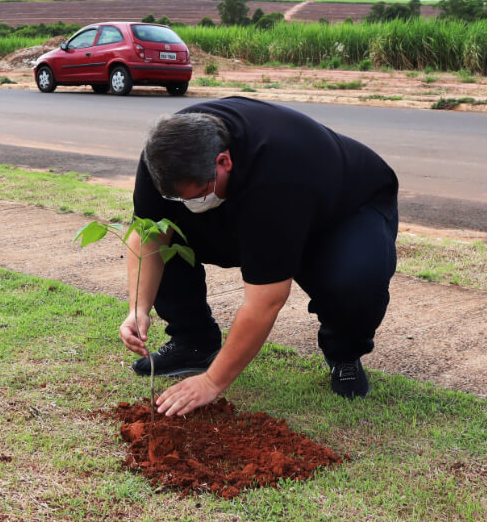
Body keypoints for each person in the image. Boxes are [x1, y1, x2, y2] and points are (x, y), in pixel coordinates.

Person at [121, 97, 400, 417]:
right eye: (175, 197)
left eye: (196, 194)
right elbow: (149, 233)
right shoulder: (164, 154)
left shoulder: (276, 178)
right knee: (171, 235)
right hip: (251, 198)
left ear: (223, 162)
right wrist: (137, 309)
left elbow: (265, 300)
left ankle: (344, 354)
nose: (187, 203)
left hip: (344, 207)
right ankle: (193, 341)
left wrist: (212, 382)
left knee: (354, 282)